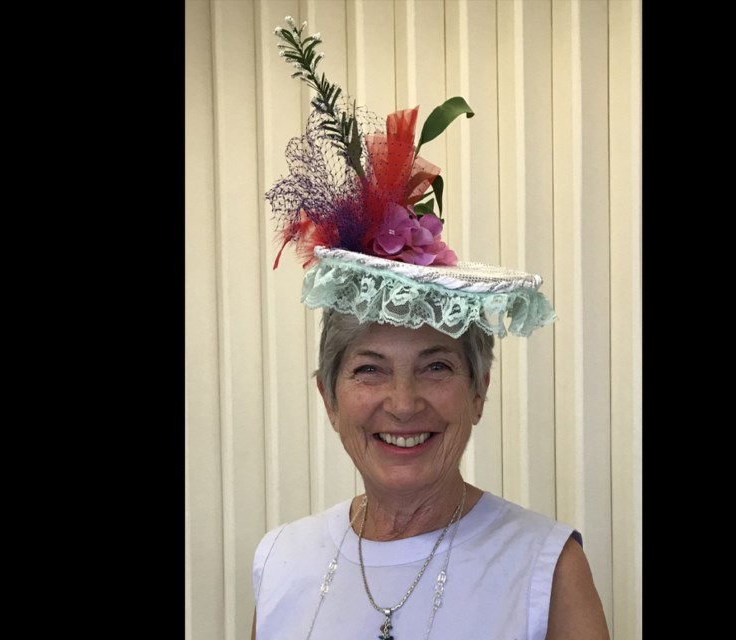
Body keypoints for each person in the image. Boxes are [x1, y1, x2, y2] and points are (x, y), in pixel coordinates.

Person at [252, 17, 610, 640]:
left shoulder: (548, 569)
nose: (403, 401)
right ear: (328, 399)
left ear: (480, 391)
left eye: (437, 365)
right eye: (369, 368)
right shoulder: (279, 561)